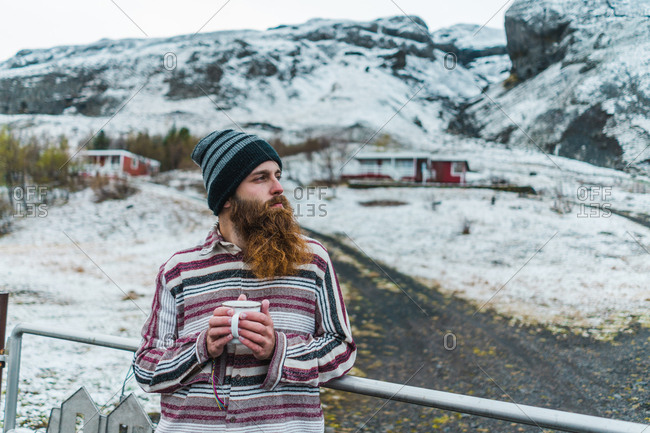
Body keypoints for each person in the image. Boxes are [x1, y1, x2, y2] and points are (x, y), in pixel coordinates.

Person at [133, 129, 356, 432]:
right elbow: (146, 368)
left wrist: (278, 349)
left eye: (277, 175)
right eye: (261, 178)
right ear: (226, 198)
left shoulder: (312, 260)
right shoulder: (179, 270)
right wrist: (203, 347)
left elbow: (342, 350)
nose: (278, 188)